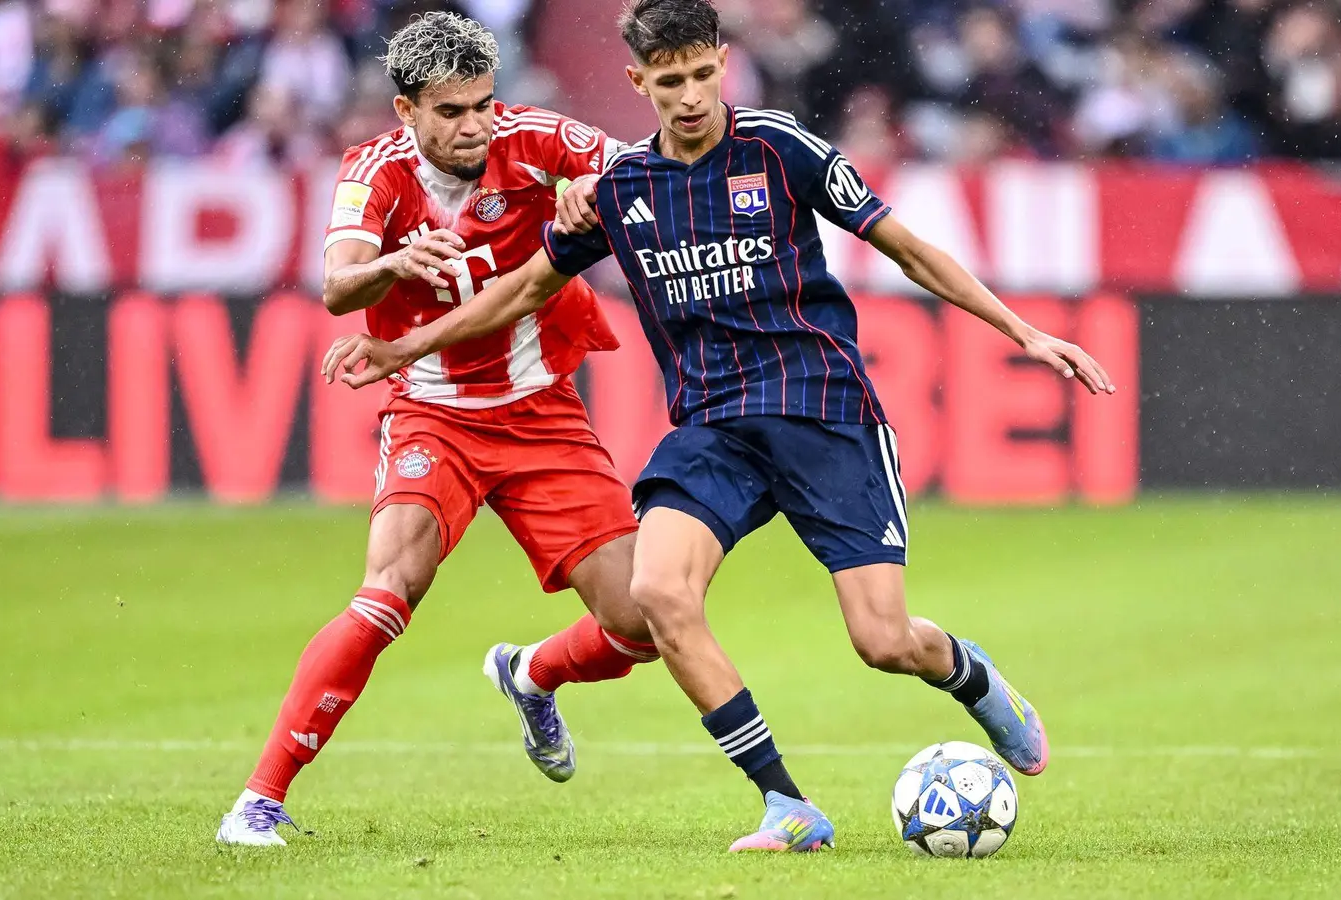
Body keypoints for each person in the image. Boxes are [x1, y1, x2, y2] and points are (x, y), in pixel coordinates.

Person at [324, 0, 1116, 854]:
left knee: (883, 641)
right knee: (661, 595)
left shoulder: (779, 146)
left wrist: (1024, 331)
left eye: (704, 74)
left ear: (723, 63)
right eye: (671, 82)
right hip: (714, 430)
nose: (693, 96)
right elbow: (518, 292)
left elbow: (908, 247)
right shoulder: (623, 189)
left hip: (823, 412)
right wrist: (403, 344)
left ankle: (976, 680)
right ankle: (787, 805)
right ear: (640, 83)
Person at [216, 12, 660, 847]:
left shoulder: (536, 139)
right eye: (450, 112)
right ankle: (259, 800)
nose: (473, 126)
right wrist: (391, 264)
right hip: (434, 411)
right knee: (388, 590)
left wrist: (596, 192)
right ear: (404, 111)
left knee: (643, 622)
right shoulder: (375, 173)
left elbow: (645, 175)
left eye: (482, 106)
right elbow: (338, 288)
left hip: (542, 414)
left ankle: (530, 675)